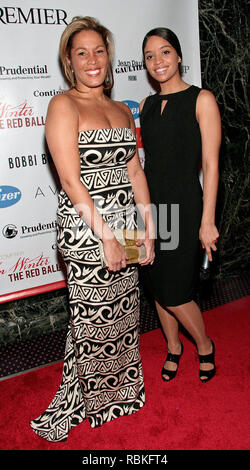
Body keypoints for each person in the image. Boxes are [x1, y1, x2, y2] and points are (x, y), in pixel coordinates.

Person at [30, 16, 154, 442]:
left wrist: (149, 229)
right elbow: (69, 179)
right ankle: (91, 401)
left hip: (125, 223)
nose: (92, 60)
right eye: (81, 52)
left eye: (99, 50)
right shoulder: (63, 106)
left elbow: (135, 172)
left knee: (123, 313)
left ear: (109, 56)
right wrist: (107, 236)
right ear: (69, 61)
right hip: (88, 229)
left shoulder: (122, 108)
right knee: (91, 318)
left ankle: (123, 392)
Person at [139, 28, 221, 383]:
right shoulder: (145, 105)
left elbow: (212, 165)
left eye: (165, 52)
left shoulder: (201, 99)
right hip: (146, 208)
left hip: (183, 205)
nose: (158, 61)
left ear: (179, 56)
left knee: (174, 289)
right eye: (150, 56)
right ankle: (173, 347)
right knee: (155, 284)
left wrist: (208, 221)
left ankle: (204, 345)